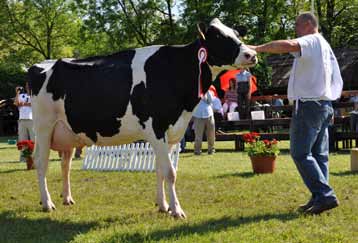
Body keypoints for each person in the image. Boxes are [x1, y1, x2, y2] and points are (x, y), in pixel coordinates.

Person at [249, 12, 343, 214]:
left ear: (309, 24)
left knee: (300, 153)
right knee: (319, 155)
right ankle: (319, 197)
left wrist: (258, 48)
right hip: (324, 104)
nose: (295, 31)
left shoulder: (310, 40)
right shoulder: (325, 45)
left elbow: (288, 45)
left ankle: (325, 195)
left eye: (297, 26)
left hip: (309, 105)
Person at [14, 82, 35, 162]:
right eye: (26, 85)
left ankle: (35, 158)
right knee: (22, 140)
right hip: (21, 120)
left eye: (29, 85)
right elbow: (16, 103)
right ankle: (23, 159)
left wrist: (24, 104)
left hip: (32, 120)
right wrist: (17, 93)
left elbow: (35, 104)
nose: (27, 87)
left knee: (34, 140)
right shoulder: (21, 95)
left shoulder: (35, 95)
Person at [192, 91, 216, 155]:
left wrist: (207, 91)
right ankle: (197, 151)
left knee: (211, 135)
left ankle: (211, 150)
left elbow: (210, 101)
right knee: (198, 136)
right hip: (198, 115)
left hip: (209, 114)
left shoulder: (209, 91)